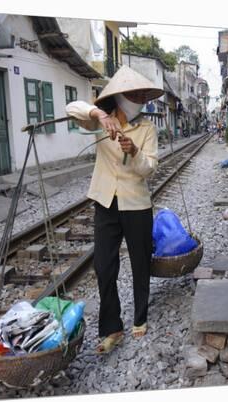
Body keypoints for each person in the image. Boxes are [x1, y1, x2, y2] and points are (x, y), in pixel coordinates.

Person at [65, 66, 164, 353]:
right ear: (121, 96)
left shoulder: (146, 128)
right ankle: (112, 327)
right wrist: (98, 114)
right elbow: (72, 107)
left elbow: (150, 169)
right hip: (106, 202)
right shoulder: (101, 120)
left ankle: (140, 316)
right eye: (135, 94)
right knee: (104, 266)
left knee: (140, 262)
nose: (140, 99)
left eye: (143, 95)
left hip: (136, 203)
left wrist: (134, 151)